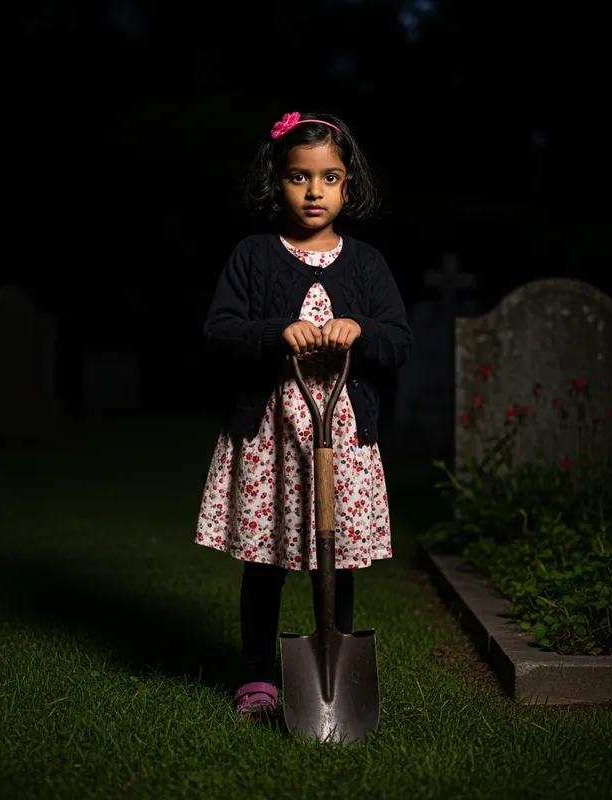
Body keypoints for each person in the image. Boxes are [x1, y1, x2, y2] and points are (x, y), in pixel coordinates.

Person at [195, 110, 412, 717]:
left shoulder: (366, 264)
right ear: (277, 180)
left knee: (336, 558)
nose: (314, 191)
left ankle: (333, 663)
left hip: (340, 438)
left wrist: (359, 330)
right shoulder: (255, 256)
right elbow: (220, 332)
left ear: (349, 184)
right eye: (299, 177)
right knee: (265, 560)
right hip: (270, 435)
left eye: (330, 177)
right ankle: (258, 677)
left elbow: (399, 341)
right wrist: (275, 331)